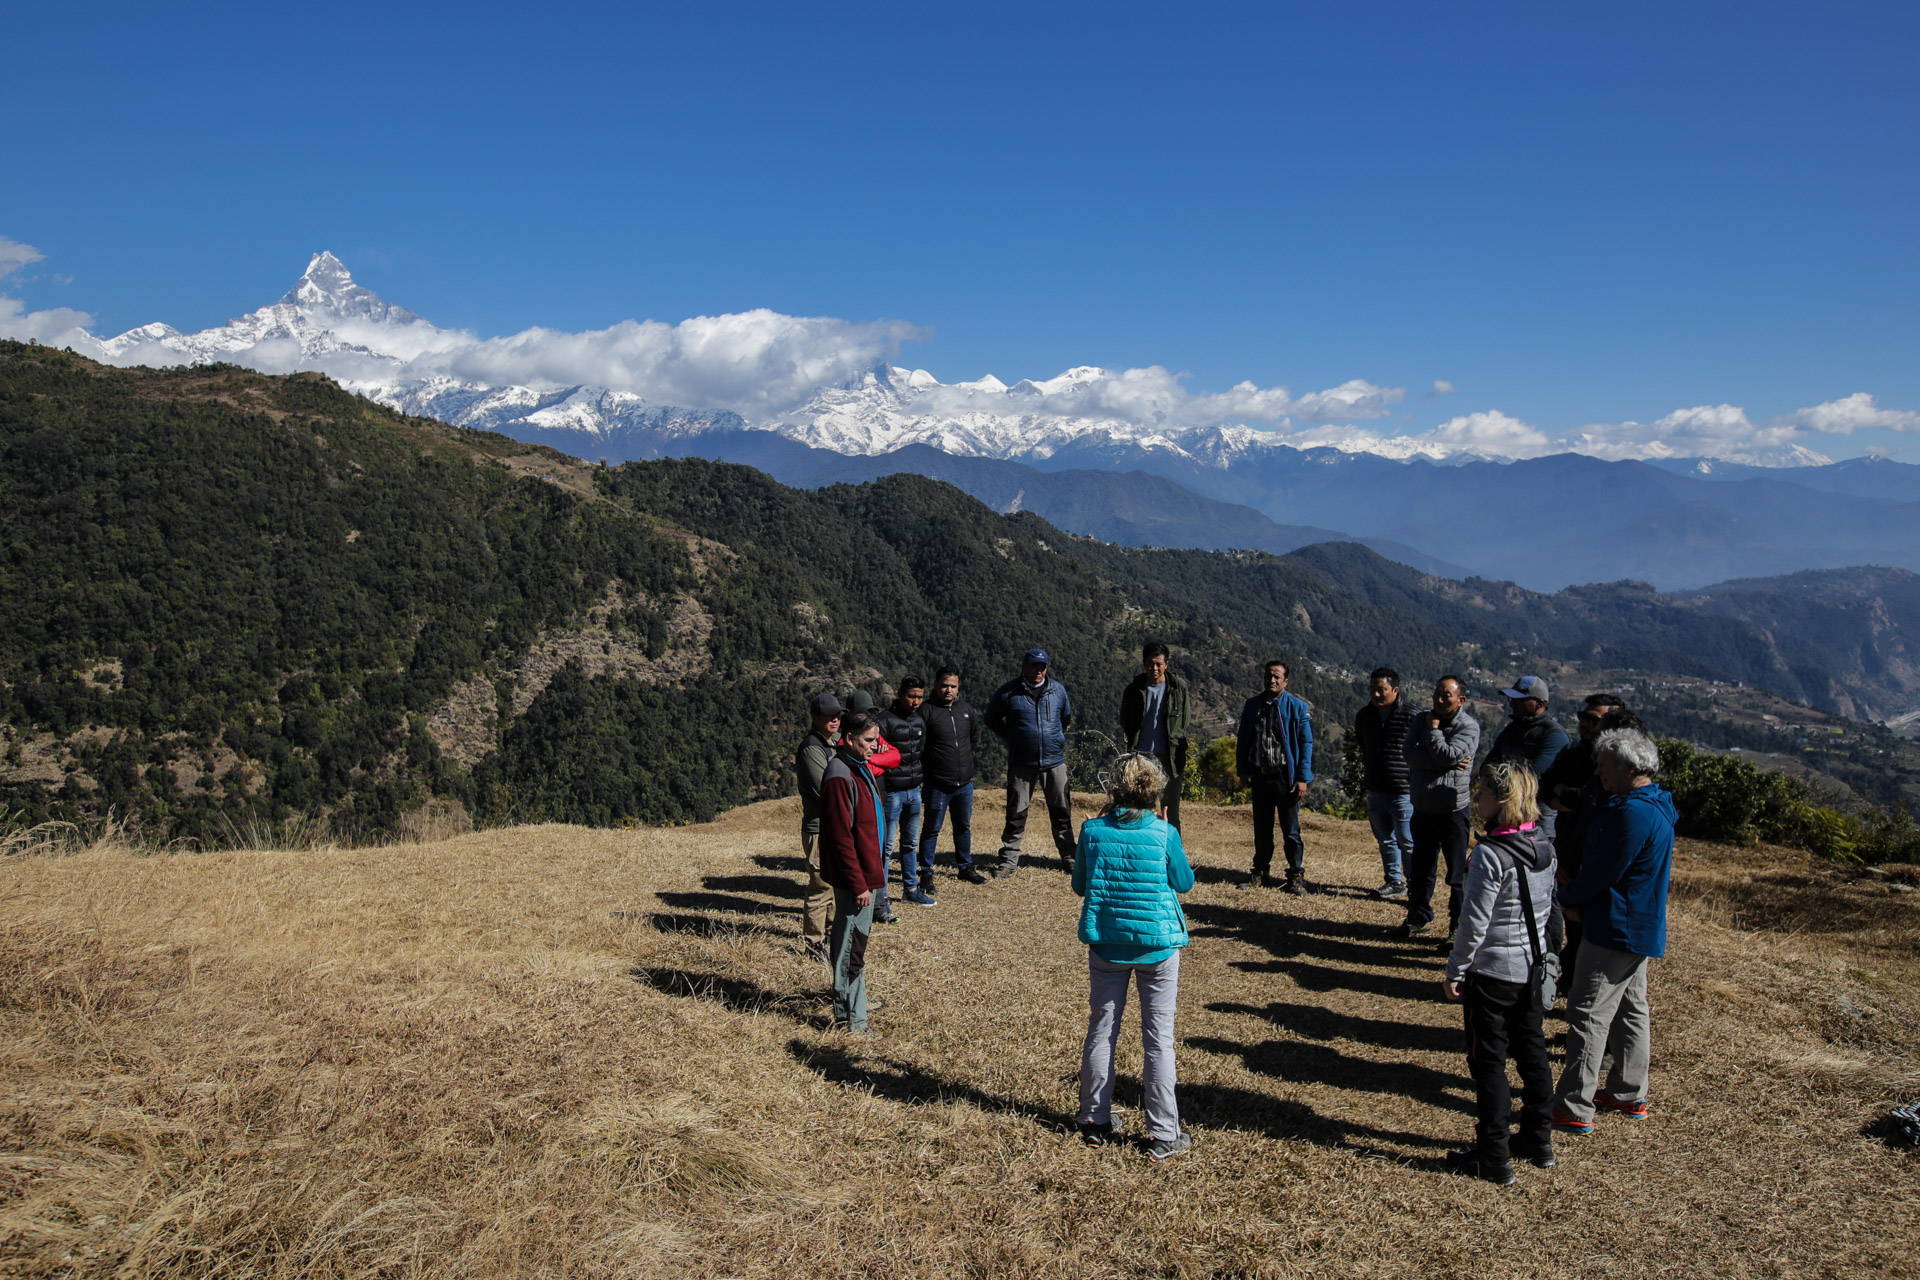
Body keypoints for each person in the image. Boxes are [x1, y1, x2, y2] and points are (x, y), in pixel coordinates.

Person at [1552, 728, 1676, 1135]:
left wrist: (1568, 896)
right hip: (1637, 927)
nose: (1599, 772)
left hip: (1613, 926)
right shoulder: (1653, 806)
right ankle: (1628, 1091)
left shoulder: (1630, 813)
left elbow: (1606, 870)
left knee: (1588, 1013)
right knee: (1630, 1009)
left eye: (1605, 765)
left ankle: (1574, 1104)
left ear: (1628, 767)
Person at [1072, 752, 1196, 1160]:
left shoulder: (1092, 830)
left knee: (1101, 1029)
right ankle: (1164, 1131)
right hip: (1157, 944)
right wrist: (1164, 825)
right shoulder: (1164, 831)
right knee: (1158, 1039)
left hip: (1107, 941)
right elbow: (1184, 882)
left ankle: (1094, 1119)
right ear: (1155, 790)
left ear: (1114, 787)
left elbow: (1079, 885)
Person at [1441, 760, 1559, 1185]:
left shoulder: (1490, 855)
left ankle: (1493, 1155)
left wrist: (1456, 969)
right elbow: (1547, 912)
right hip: (1531, 968)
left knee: (1488, 1062)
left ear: (1502, 800)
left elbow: (1474, 923)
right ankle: (1537, 1139)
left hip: (1492, 973)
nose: (1477, 800)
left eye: (1484, 794)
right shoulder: (1544, 846)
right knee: (1532, 1052)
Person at [1540, 695, 1633, 967]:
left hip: (1595, 851)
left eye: (1595, 719)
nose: (1585, 724)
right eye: (1584, 716)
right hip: (1568, 845)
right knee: (1568, 914)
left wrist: (1566, 795)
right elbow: (1546, 785)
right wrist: (1569, 798)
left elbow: (1590, 799)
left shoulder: (1619, 761)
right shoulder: (1574, 752)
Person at [1394, 676, 1481, 945]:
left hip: (1452, 810)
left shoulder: (1468, 727)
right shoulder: (1421, 718)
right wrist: (1442, 763)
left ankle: (1457, 928)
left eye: (1446, 695)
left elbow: (1447, 755)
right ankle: (1418, 919)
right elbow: (1408, 753)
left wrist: (1433, 734)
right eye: (1436, 694)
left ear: (1460, 700)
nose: (1439, 700)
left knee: (1456, 874)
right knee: (1421, 870)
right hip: (1422, 808)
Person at [819, 712, 889, 1034]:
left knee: (852, 945)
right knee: (851, 948)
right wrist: (859, 884)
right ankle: (852, 1021)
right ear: (849, 739)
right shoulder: (839, 774)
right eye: (869, 740)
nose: (876, 747)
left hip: (864, 876)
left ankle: (854, 1008)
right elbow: (840, 837)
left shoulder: (856, 767)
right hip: (856, 881)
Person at [984, 647, 1077, 878]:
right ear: (1024, 667)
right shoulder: (1009, 692)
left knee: (1062, 810)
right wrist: (1013, 737)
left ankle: (1069, 857)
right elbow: (991, 718)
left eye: (1042, 666)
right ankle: (1008, 860)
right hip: (1021, 763)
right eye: (1034, 665)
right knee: (1016, 812)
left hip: (1054, 761)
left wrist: (1054, 738)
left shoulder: (1058, 691)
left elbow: (1065, 717)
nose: (1038, 670)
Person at [1234, 660, 1315, 892]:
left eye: (1277, 677)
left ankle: (1295, 875)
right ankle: (1260, 872)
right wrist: (1243, 770)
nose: (1272, 680)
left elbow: (1305, 743)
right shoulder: (1252, 706)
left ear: (1285, 681)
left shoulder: (1297, 707)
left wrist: (1302, 777)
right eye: (1269, 676)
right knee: (1262, 828)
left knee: (1291, 831)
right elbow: (1243, 740)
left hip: (1285, 778)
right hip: (1260, 776)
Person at [920, 666, 987, 885]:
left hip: (964, 784)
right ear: (936, 685)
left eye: (952, 686)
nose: (948, 690)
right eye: (944, 685)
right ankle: (926, 872)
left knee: (963, 826)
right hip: (937, 784)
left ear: (958, 687)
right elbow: (919, 746)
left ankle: (965, 867)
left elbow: (973, 739)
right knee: (932, 829)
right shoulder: (926, 711)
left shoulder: (967, 711)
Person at [1354, 666, 1415, 901]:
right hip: (1375, 787)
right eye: (1372, 689)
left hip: (1403, 790)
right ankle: (1394, 881)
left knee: (1407, 840)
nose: (1376, 694)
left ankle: (1415, 884)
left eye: (1381, 690)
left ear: (1395, 690)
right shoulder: (1364, 716)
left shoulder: (1410, 715)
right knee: (1385, 838)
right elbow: (1363, 744)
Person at [1485, 675, 1570, 840]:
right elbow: (1487, 767)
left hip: (1536, 820)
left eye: (1519, 700)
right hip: (1504, 816)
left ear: (1540, 703)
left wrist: (1500, 775)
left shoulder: (1553, 735)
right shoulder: (1512, 730)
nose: (1512, 704)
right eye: (1512, 699)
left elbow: (1533, 778)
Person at [843, 690, 902, 922]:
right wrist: (875, 760)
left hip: (878, 799)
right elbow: (864, 766)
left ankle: (879, 903)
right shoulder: (845, 738)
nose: (868, 716)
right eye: (864, 712)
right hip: (861, 803)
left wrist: (869, 760)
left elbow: (895, 757)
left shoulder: (870, 734)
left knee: (879, 852)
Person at [792, 692, 842, 964]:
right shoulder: (813, 747)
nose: (835, 719)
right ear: (815, 717)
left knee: (832, 885)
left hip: (832, 826)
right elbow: (823, 789)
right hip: (819, 827)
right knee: (821, 885)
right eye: (828, 715)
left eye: (837, 714)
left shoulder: (830, 743)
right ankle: (814, 943)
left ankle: (832, 935)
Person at [1119, 642, 1190, 833]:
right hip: (1141, 758)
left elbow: (1185, 719)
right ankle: (1142, 853)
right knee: (1140, 809)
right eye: (1150, 663)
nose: (1154, 668)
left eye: (1159, 664)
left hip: (1170, 757)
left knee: (1171, 812)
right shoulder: (1134, 690)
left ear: (1166, 664)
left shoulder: (1178, 688)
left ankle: (1172, 856)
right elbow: (1125, 719)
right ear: (1144, 663)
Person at [876, 679, 934, 907]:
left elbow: (921, 751)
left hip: (914, 790)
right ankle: (881, 896)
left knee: (910, 843)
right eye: (911, 696)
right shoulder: (883, 720)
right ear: (899, 694)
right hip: (892, 792)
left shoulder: (919, 719)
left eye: (919, 697)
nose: (916, 701)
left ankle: (911, 889)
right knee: (887, 847)